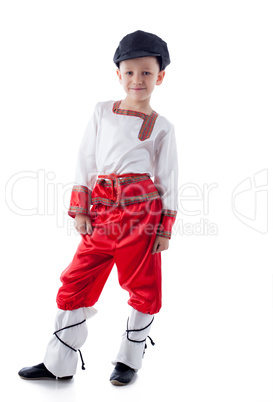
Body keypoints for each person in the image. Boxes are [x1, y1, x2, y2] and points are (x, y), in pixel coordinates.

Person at [18, 30, 179, 386]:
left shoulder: (162, 127)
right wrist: (82, 210)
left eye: (147, 72)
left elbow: (168, 177)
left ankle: (128, 360)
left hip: (142, 218)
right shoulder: (101, 112)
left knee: (144, 288)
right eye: (130, 72)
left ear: (161, 76)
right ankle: (58, 362)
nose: (138, 80)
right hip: (103, 216)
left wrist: (164, 229)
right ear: (118, 74)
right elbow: (86, 160)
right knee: (75, 280)